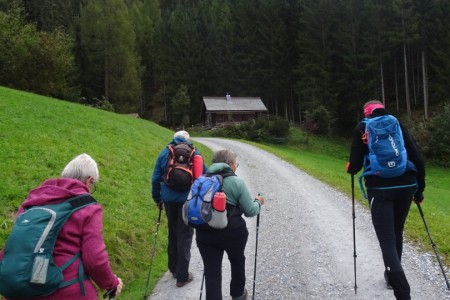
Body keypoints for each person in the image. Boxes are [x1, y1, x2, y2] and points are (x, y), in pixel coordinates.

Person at [0, 153, 123, 299]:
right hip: (65, 291)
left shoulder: (32, 203)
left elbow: (12, 248)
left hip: (20, 290)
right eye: (93, 185)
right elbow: (95, 259)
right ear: (89, 180)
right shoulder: (88, 207)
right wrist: (112, 283)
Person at [346, 100, 425, 300]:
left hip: (379, 188)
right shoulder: (397, 124)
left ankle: (402, 292)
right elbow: (417, 158)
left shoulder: (362, 127)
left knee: (387, 241)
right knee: (397, 232)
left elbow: (354, 166)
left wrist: (350, 168)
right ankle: (391, 278)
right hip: (406, 185)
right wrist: (419, 191)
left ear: (366, 112)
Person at [195, 149, 265, 300]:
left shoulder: (202, 179)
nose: (236, 167)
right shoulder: (236, 181)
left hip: (204, 232)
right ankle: (238, 294)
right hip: (232, 232)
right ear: (231, 164)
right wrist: (259, 202)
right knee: (237, 260)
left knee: (212, 271)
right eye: (236, 164)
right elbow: (250, 211)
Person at [151, 130, 205, 287]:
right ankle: (182, 276)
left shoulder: (165, 153)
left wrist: (157, 198)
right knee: (185, 234)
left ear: (174, 138)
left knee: (172, 232)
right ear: (188, 140)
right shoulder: (194, 153)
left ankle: (173, 268)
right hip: (187, 201)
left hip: (168, 200)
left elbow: (155, 178)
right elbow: (204, 173)